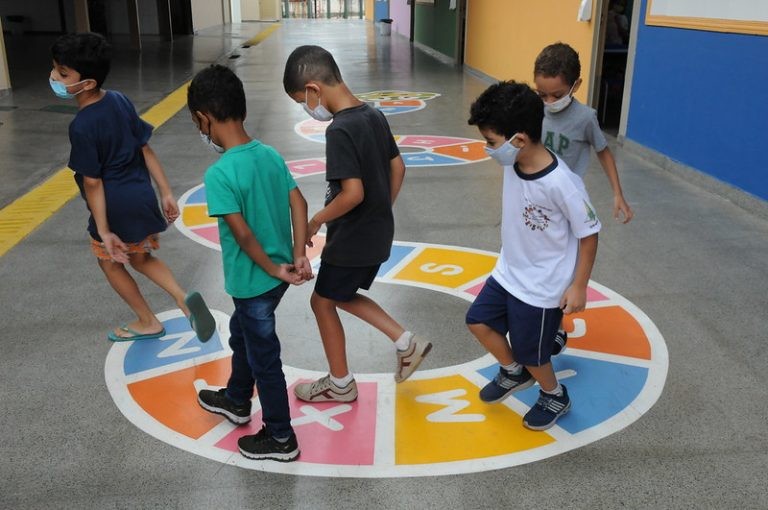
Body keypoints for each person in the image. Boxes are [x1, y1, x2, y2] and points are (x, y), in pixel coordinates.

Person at [282, 45, 432, 403]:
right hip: (376, 232)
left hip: (351, 237)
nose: (306, 108)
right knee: (339, 295)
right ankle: (404, 343)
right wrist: (380, 211)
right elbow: (398, 168)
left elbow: (352, 194)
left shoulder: (340, 130)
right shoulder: (373, 115)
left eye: (302, 100)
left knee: (322, 301)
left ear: (313, 89)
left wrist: (316, 219)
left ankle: (341, 382)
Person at [50, 32, 215, 343]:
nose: (54, 78)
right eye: (55, 69)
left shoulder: (82, 126)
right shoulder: (119, 100)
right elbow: (145, 149)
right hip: (141, 196)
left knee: (109, 262)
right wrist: (166, 192)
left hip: (115, 206)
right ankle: (183, 299)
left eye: (62, 73)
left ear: (87, 83)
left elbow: (92, 182)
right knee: (140, 257)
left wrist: (104, 230)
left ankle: (147, 321)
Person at [189, 64, 313, 462]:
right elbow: (299, 203)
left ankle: (280, 436)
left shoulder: (220, 173)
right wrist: (297, 255)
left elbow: (242, 235)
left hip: (253, 280)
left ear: (203, 119)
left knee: (265, 358)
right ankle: (237, 398)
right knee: (242, 335)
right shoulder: (270, 154)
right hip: (276, 277)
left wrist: (273, 268)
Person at [466, 81, 601, 431]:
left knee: (532, 354)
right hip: (508, 272)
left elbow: (589, 234)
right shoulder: (514, 162)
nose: (488, 149)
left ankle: (554, 394)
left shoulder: (562, 184)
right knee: (478, 321)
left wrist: (579, 286)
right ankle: (513, 372)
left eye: (491, 142)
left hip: (542, 286)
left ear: (519, 140)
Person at [534, 42, 632, 354]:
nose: (549, 102)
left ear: (575, 85)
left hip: (568, 204)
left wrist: (617, 194)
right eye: (542, 94)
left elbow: (604, 152)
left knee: (560, 270)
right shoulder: (534, 110)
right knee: (537, 264)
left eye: (557, 95)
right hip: (537, 200)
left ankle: (557, 325)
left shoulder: (585, 118)